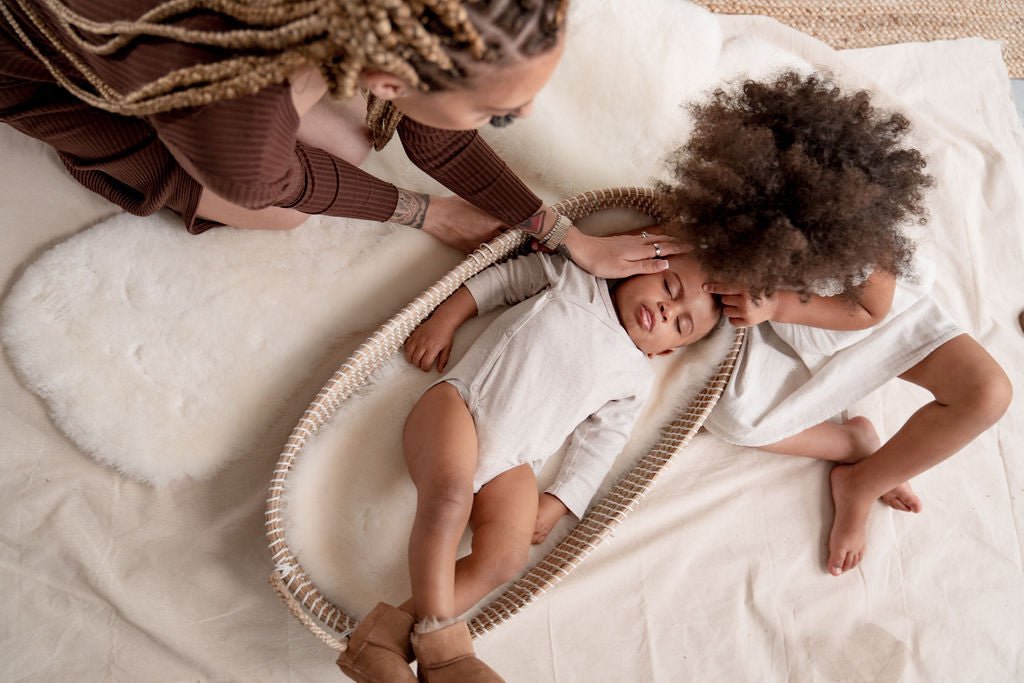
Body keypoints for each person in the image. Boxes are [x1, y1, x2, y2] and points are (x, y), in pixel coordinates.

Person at [0, 0, 681, 276]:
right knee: (300, 193)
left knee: (345, 135)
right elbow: (305, 179)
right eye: (500, 113)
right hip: (36, 63)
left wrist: (566, 235)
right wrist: (427, 211)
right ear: (386, 78)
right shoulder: (241, 135)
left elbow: (435, 134)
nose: (528, 117)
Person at [661, 70, 1012, 577]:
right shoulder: (735, 202)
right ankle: (853, 443)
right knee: (732, 419)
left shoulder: (865, 240)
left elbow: (869, 312)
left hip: (865, 322)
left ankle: (863, 482)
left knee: (988, 393)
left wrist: (779, 304)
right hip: (777, 331)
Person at [335, 248, 722, 682]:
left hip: (517, 460)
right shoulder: (577, 280)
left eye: (680, 324)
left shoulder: (635, 377)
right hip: (461, 405)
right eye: (670, 288)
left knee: (505, 558)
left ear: (667, 350)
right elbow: (498, 282)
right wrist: (445, 320)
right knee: (448, 499)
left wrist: (560, 498)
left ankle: (381, 642)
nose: (667, 310)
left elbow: (601, 443)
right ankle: (442, 651)